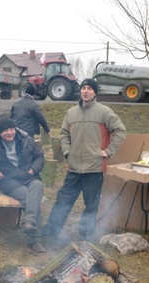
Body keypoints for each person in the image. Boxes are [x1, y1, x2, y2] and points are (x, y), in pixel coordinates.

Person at [43, 78, 126, 241]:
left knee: (91, 206)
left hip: (94, 168)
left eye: (89, 88)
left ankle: (86, 238)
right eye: (83, 88)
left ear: (95, 93)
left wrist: (108, 151)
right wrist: (67, 152)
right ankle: (50, 235)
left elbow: (120, 131)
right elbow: (64, 134)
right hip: (73, 168)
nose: (85, 91)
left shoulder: (104, 112)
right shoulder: (71, 112)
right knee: (62, 202)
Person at [0, 118, 46, 253]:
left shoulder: (27, 140)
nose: (9, 133)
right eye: (5, 130)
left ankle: (28, 222)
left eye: (11, 129)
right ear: (0, 133)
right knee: (32, 199)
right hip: (9, 181)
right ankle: (36, 240)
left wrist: (33, 169)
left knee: (37, 185)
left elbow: (39, 157)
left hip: (28, 176)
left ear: (15, 129)